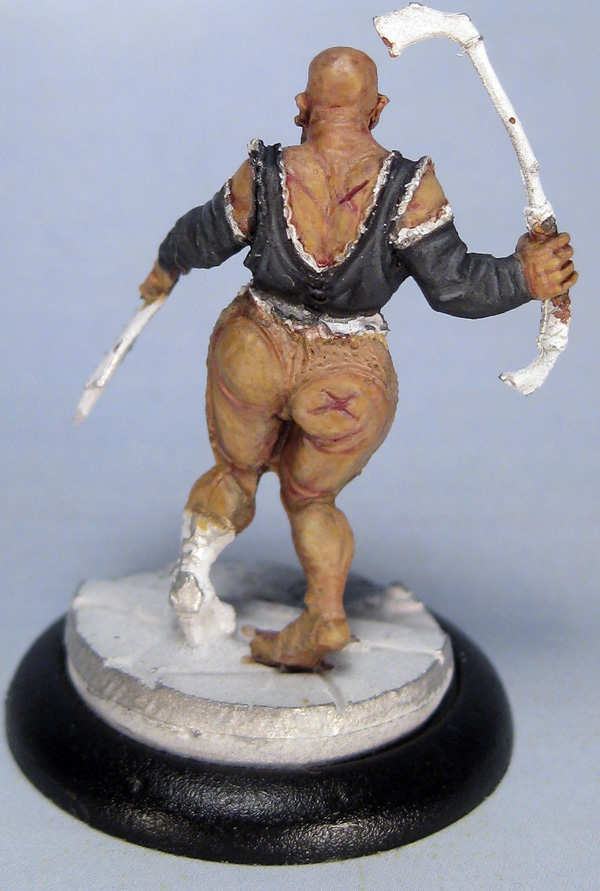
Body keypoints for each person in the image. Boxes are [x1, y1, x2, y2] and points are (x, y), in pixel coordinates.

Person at [139, 47, 576, 670]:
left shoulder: (264, 174)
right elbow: (455, 288)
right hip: (347, 375)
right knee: (311, 501)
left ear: (302, 106)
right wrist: (525, 278)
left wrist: (165, 267)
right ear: (379, 108)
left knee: (235, 473)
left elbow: (203, 237)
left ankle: (194, 576)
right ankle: (324, 613)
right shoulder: (410, 189)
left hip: (255, 345)